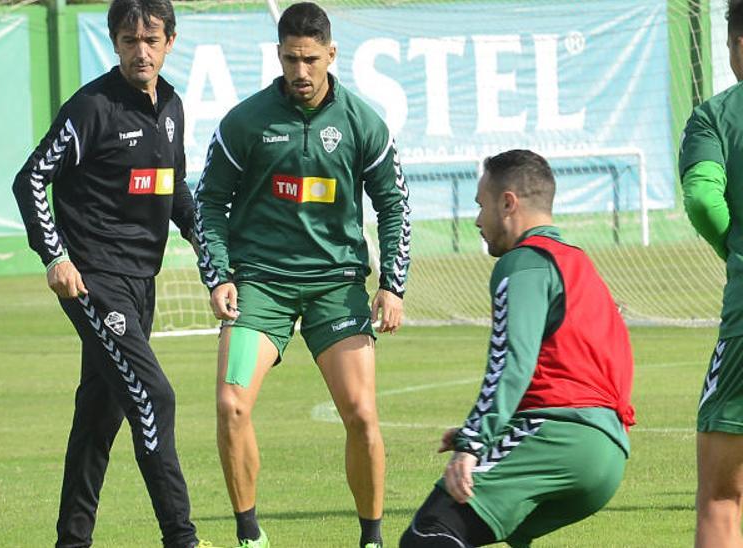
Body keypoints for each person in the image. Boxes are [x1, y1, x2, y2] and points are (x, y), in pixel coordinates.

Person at [192, 3, 410, 546]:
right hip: (261, 286)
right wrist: (219, 275)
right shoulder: (245, 122)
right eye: (291, 59)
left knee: (361, 415)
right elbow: (208, 202)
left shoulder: (363, 122)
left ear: (331, 55)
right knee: (230, 403)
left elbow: (395, 205)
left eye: (311, 59)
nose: (301, 71)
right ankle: (249, 536)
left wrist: (391, 284)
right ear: (278, 55)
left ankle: (372, 539)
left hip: (336, 288)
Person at [10, 1, 211, 546]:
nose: (139, 51)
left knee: (99, 418)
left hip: (141, 285)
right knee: (155, 397)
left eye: (150, 39)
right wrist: (55, 256)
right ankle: (182, 538)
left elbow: (177, 194)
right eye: (128, 40)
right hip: (96, 283)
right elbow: (30, 180)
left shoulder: (171, 106)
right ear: (115, 43)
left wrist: (211, 263)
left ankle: (71, 541)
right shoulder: (91, 108)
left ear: (170, 40)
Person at [398, 149, 635, 547]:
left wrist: (474, 441)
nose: (476, 220)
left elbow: (511, 365)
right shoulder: (578, 264)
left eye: (481, 205)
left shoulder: (524, 262)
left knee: (432, 531)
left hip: (559, 436)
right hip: (606, 452)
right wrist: (496, 432)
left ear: (507, 203)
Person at [681, 2, 743, 545]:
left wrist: (734, 246)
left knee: (723, 495)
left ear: (739, 45)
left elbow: (702, 198)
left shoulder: (717, 115)